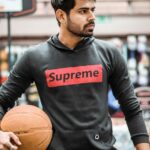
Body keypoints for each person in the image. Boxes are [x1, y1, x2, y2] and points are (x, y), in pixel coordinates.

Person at [0, 0, 150, 149]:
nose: (92, 17)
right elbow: (2, 100)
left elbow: (131, 108)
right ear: (61, 16)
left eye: (93, 10)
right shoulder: (34, 57)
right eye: (83, 11)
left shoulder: (109, 53)